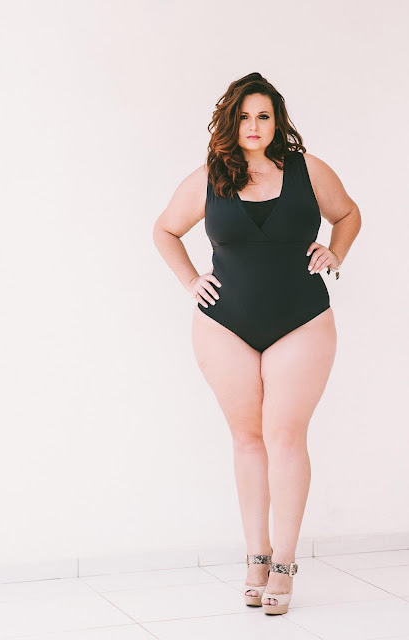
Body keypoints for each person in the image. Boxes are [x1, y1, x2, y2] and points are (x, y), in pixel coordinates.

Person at [152, 72, 361, 615]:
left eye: (263, 115)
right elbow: (164, 230)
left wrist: (337, 251)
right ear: (231, 121)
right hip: (225, 326)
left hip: (302, 320)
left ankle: (285, 564)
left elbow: (348, 213)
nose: (253, 125)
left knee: (285, 437)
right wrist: (190, 280)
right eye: (244, 116)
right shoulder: (208, 177)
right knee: (248, 440)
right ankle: (256, 558)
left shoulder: (309, 170)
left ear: (277, 121)